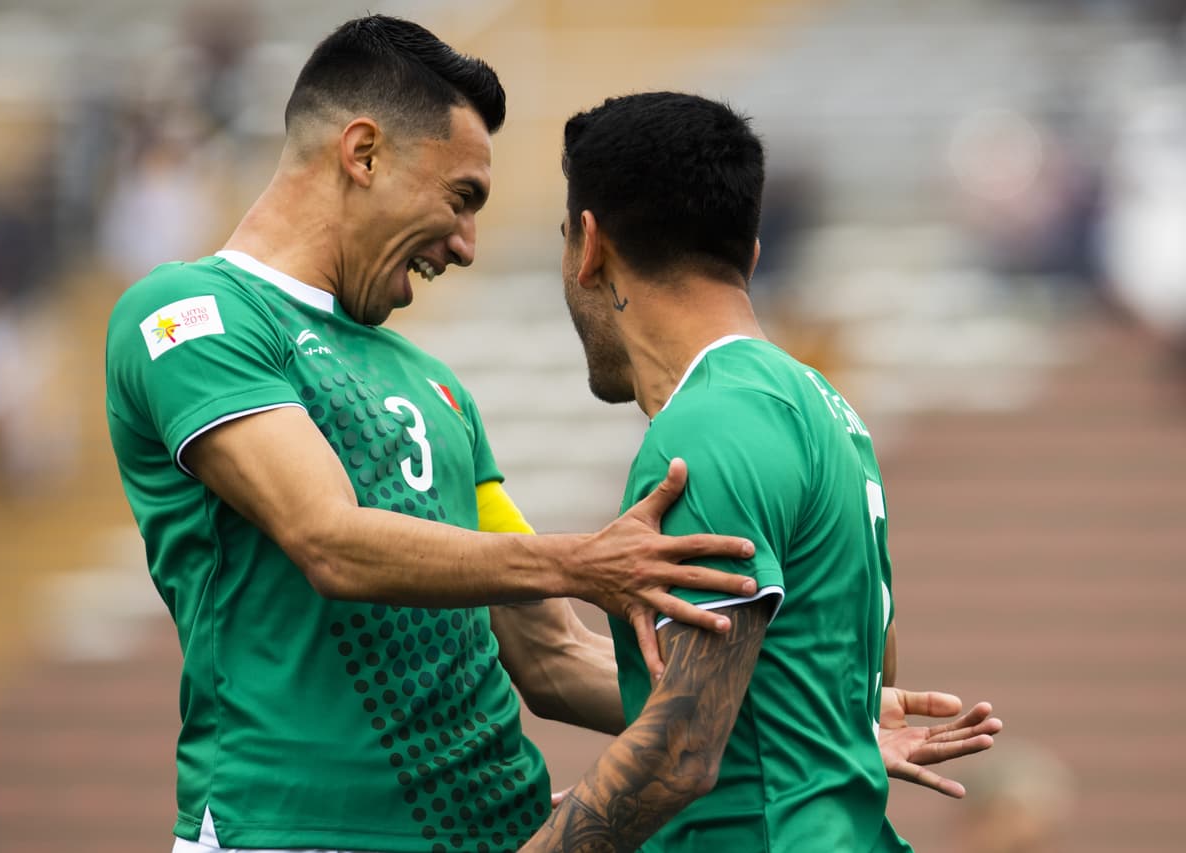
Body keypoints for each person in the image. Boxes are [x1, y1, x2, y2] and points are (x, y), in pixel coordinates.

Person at [104, 20, 758, 853]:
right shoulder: (191, 315)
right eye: (462, 198)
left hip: (499, 830)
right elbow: (328, 540)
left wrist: (792, 717)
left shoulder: (439, 389)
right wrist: (581, 560)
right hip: (297, 829)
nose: (467, 245)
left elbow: (552, 652)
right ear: (364, 153)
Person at [524, 92, 1003, 853]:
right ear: (746, 253)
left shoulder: (708, 427)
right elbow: (843, 686)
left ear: (589, 245)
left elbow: (681, 751)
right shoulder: (824, 407)